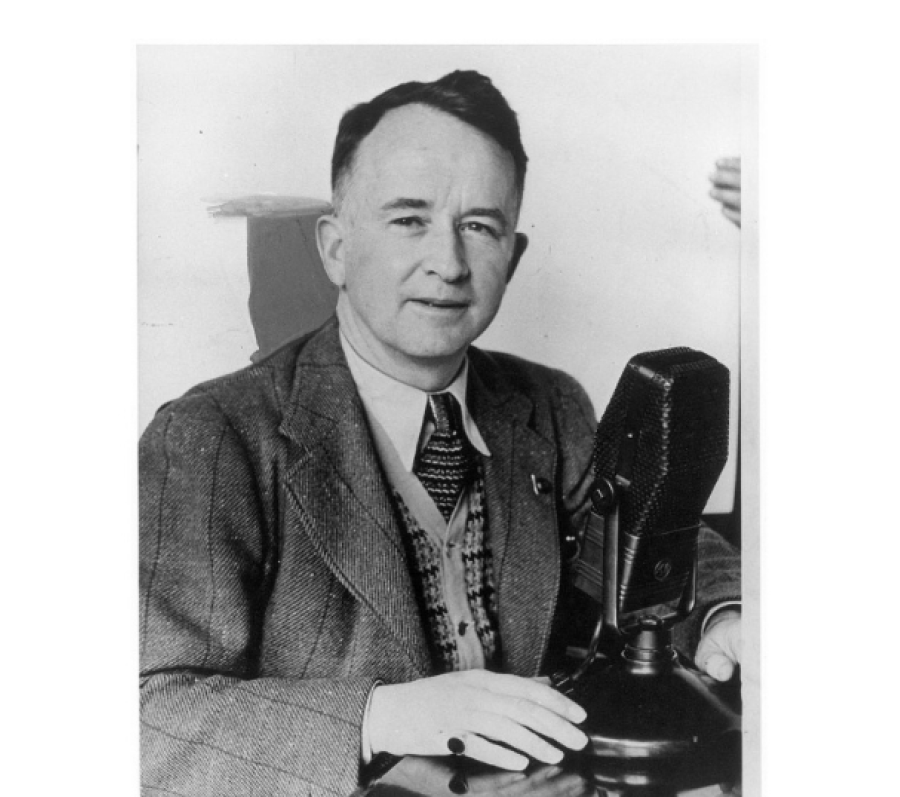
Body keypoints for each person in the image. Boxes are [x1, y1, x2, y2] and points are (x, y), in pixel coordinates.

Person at [140, 70, 741, 797]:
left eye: (479, 227)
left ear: (512, 258)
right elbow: (146, 717)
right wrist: (376, 716)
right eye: (408, 219)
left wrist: (723, 613)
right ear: (334, 245)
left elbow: (647, 535)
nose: (449, 264)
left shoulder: (551, 405)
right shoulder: (212, 436)